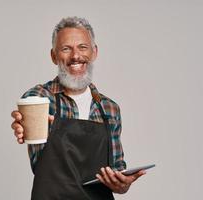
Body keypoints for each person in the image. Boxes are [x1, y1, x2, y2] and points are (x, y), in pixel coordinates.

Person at [11, 16, 145, 199]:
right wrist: (22, 126)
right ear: (54, 56)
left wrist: (122, 184)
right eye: (66, 48)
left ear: (94, 52)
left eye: (82, 47)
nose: (75, 56)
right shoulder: (40, 98)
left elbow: (117, 174)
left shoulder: (109, 109)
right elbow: (26, 120)